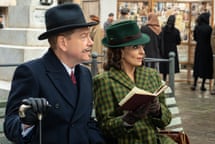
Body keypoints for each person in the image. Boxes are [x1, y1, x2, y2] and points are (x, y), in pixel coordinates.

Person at [4, 4, 105, 144]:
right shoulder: (32, 72)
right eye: (83, 36)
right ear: (63, 43)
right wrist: (26, 121)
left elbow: (85, 123)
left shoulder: (85, 74)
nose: (91, 42)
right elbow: (10, 127)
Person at [93, 20, 175, 144]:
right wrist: (129, 119)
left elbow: (166, 120)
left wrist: (158, 111)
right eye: (135, 47)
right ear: (120, 51)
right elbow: (105, 127)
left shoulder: (151, 75)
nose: (143, 52)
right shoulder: (105, 81)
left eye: (142, 46)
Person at [191, 12, 213, 91]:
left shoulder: (197, 27)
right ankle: (203, 85)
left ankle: (194, 83)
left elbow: (195, 38)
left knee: (197, 65)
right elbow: (211, 39)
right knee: (205, 67)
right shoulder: (209, 28)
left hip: (199, 48)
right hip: (207, 49)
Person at [159, 15, 181, 81]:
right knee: (172, 66)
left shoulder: (163, 30)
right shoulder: (176, 31)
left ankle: (164, 79)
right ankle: (171, 81)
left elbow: (159, 39)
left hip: (164, 50)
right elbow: (178, 42)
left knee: (165, 67)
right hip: (172, 50)